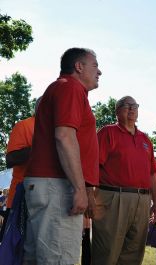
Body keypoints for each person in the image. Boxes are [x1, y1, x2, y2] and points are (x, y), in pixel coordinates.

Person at [24, 47, 101, 264]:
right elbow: (64, 137)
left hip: (51, 186)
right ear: (79, 66)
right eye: (95, 65)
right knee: (58, 258)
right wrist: (79, 188)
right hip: (57, 186)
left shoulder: (66, 89)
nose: (100, 71)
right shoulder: (70, 88)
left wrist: (85, 188)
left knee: (40, 257)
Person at [92, 96, 156, 265]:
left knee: (133, 254)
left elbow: (152, 173)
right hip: (114, 198)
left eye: (134, 106)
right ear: (117, 111)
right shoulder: (108, 132)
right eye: (126, 106)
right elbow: (93, 166)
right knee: (106, 253)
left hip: (143, 201)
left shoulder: (145, 140)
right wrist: (89, 195)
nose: (131, 109)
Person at [0, 97, 41, 242]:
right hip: (20, 199)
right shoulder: (24, 125)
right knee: (13, 251)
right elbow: (11, 159)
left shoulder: (57, 130)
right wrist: (40, 144)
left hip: (46, 200)